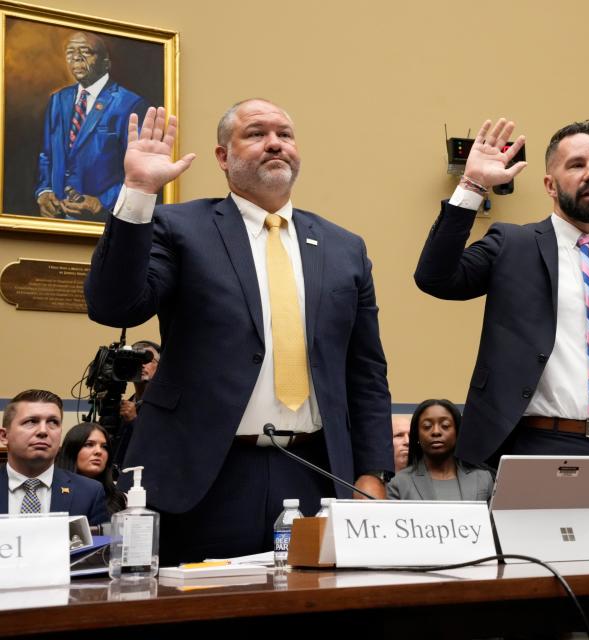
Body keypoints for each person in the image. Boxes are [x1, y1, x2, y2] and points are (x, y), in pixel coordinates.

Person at [84, 100, 393, 563]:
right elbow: (113, 305)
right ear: (223, 157)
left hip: (315, 470)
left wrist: (372, 472)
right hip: (205, 473)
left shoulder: (344, 247)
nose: (275, 143)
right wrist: (138, 191)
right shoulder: (180, 227)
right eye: (256, 133)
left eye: (285, 134)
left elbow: (365, 370)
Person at [415, 118, 589, 516]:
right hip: (540, 445)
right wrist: (472, 185)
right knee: (541, 571)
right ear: (549, 185)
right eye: (576, 165)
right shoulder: (513, 244)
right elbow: (435, 277)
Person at [35, 31, 147, 221]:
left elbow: (142, 170)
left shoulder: (130, 104)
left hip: (103, 222)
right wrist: (44, 192)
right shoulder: (58, 99)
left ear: (106, 63)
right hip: (57, 220)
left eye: (85, 51)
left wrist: (103, 202)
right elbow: (47, 154)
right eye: (70, 52)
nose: (76, 57)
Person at [0, 389, 108, 524]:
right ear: (4, 436)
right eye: (31, 421)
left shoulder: (89, 492)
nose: (43, 431)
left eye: (53, 422)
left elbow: (100, 544)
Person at [387, 400, 493, 501]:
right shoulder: (399, 484)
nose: (436, 432)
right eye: (427, 426)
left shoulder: (483, 479)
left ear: (457, 432)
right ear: (417, 436)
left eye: (445, 425)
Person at [56, 422, 126, 514]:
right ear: (72, 450)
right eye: (89, 444)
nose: (98, 451)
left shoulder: (118, 498)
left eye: (104, 447)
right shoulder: (51, 491)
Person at [116, 339, 160, 466]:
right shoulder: (122, 406)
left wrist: (134, 421)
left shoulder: (165, 407)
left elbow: (159, 447)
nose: (142, 364)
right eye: (136, 360)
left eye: (148, 360)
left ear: (160, 367)